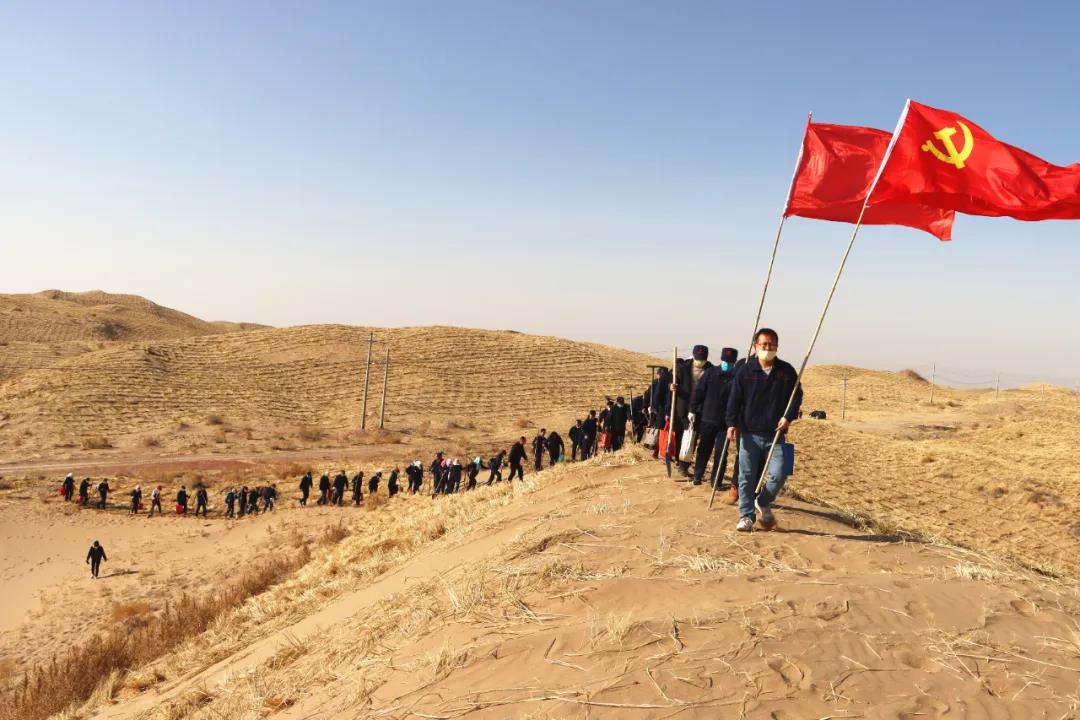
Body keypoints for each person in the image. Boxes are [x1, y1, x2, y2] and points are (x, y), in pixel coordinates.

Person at [726, 328, 802, 532]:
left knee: (781, 471)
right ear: (756, 346)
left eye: (772, 344)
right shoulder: (745, 370)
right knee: (746, 477)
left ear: (777, 346)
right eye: (764, 344)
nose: (768, 348)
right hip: (748, 433)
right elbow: (734, 398)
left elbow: (797, 396)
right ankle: (746, 516)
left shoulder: (786, 371)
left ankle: (763, 500)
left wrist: (788, 417)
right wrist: (731, 423)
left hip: (775, 434)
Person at [690, 347, 739, 487]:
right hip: (708, 419)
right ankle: (697, 476)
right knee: (704, 448)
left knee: (721, 453)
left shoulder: (737, 377)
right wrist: (692, 410)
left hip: (726, 423)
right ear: (721, 359)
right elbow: (699, 392)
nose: (727, 364)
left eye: (730, 362)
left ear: (734, 362)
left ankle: (716, 482)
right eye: (725, 361)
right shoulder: (710, 373)